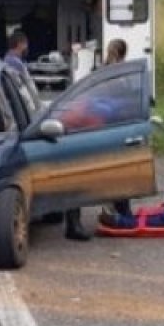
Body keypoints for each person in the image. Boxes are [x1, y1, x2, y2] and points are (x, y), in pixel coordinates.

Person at [63, 37, 134, 241]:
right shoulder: (123, 75)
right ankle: (123, 215)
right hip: (112, 129)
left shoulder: (98, 72)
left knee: (81, 173)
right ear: (124, 53)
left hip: (92, 128)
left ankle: (74, 222)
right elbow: (125, 106)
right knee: (119, 173)